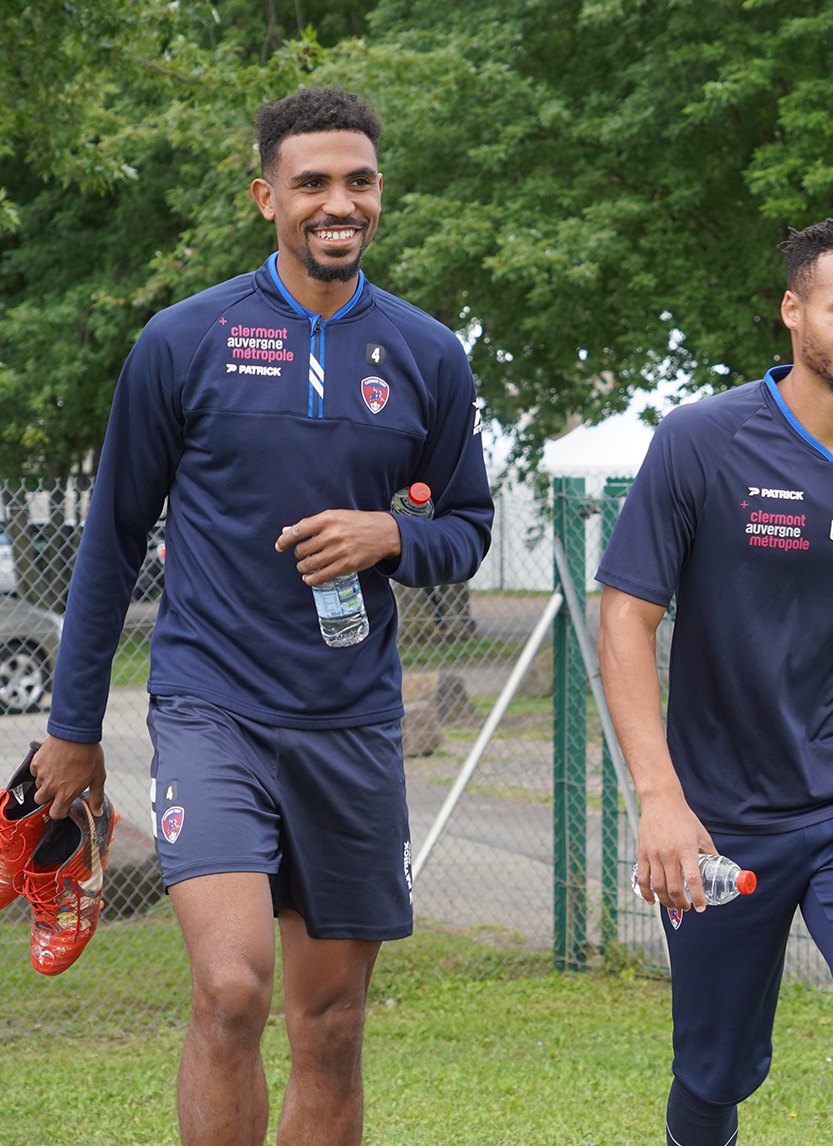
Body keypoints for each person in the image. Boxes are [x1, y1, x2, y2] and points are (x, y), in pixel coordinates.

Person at [29, 86, 493, 1146]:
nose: (340, 203)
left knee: (330, 1025)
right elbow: (110, 543)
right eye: (312, 182)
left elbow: (467, 528)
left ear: (380, 192)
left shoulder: (428, 354)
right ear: (265, 197)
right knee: (232, 989)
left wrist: (390, 535)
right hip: (214, 710)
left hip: (351, 722)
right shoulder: (184, 339)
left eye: (359, 182)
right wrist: (72, 729)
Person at [597, 211, 833, 1146]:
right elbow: (627, 615)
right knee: (713, 1072)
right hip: (723, 815)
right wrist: (660, 800)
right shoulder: (701, 440)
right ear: (793, 312)